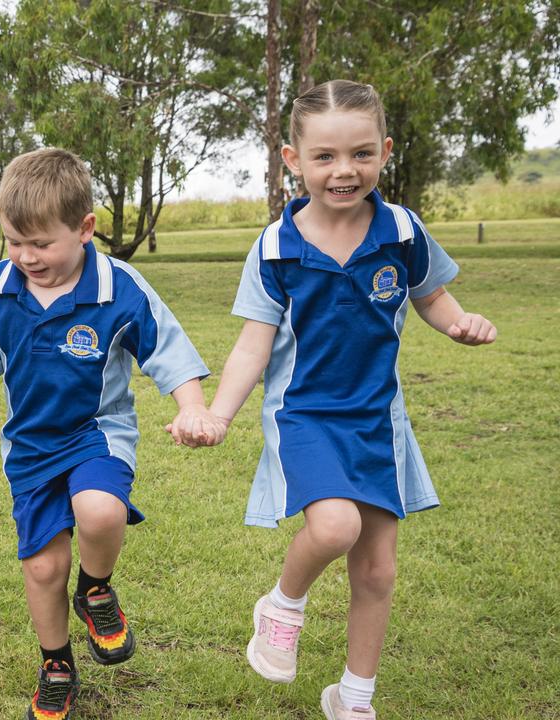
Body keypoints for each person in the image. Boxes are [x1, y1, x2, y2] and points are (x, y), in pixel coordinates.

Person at [197, 80, 497, 720]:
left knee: (378, 573)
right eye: (325, 157)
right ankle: (282, 605)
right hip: (304, 415)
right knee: (334, 526)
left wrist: (460, 322)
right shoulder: (277, 247)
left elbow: (431, 297)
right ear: (292, 161)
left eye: (361, 154)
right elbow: (253, 346)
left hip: (378, 420)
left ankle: (353, 700)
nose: (344, 171)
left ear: (384, 151)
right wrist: (218, 413)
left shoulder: (400, 229)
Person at [0, 147, 222, 720]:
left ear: (84, 229)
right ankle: (56, 663)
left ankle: (96, 588)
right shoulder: (1, 287)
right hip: (29, 447)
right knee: (43, 567)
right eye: (15, 242)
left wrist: (193, 405)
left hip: (97, 433)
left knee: (100, 512)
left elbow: (168, 350)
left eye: (41, 244)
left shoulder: (118, 286)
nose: (26, 257)